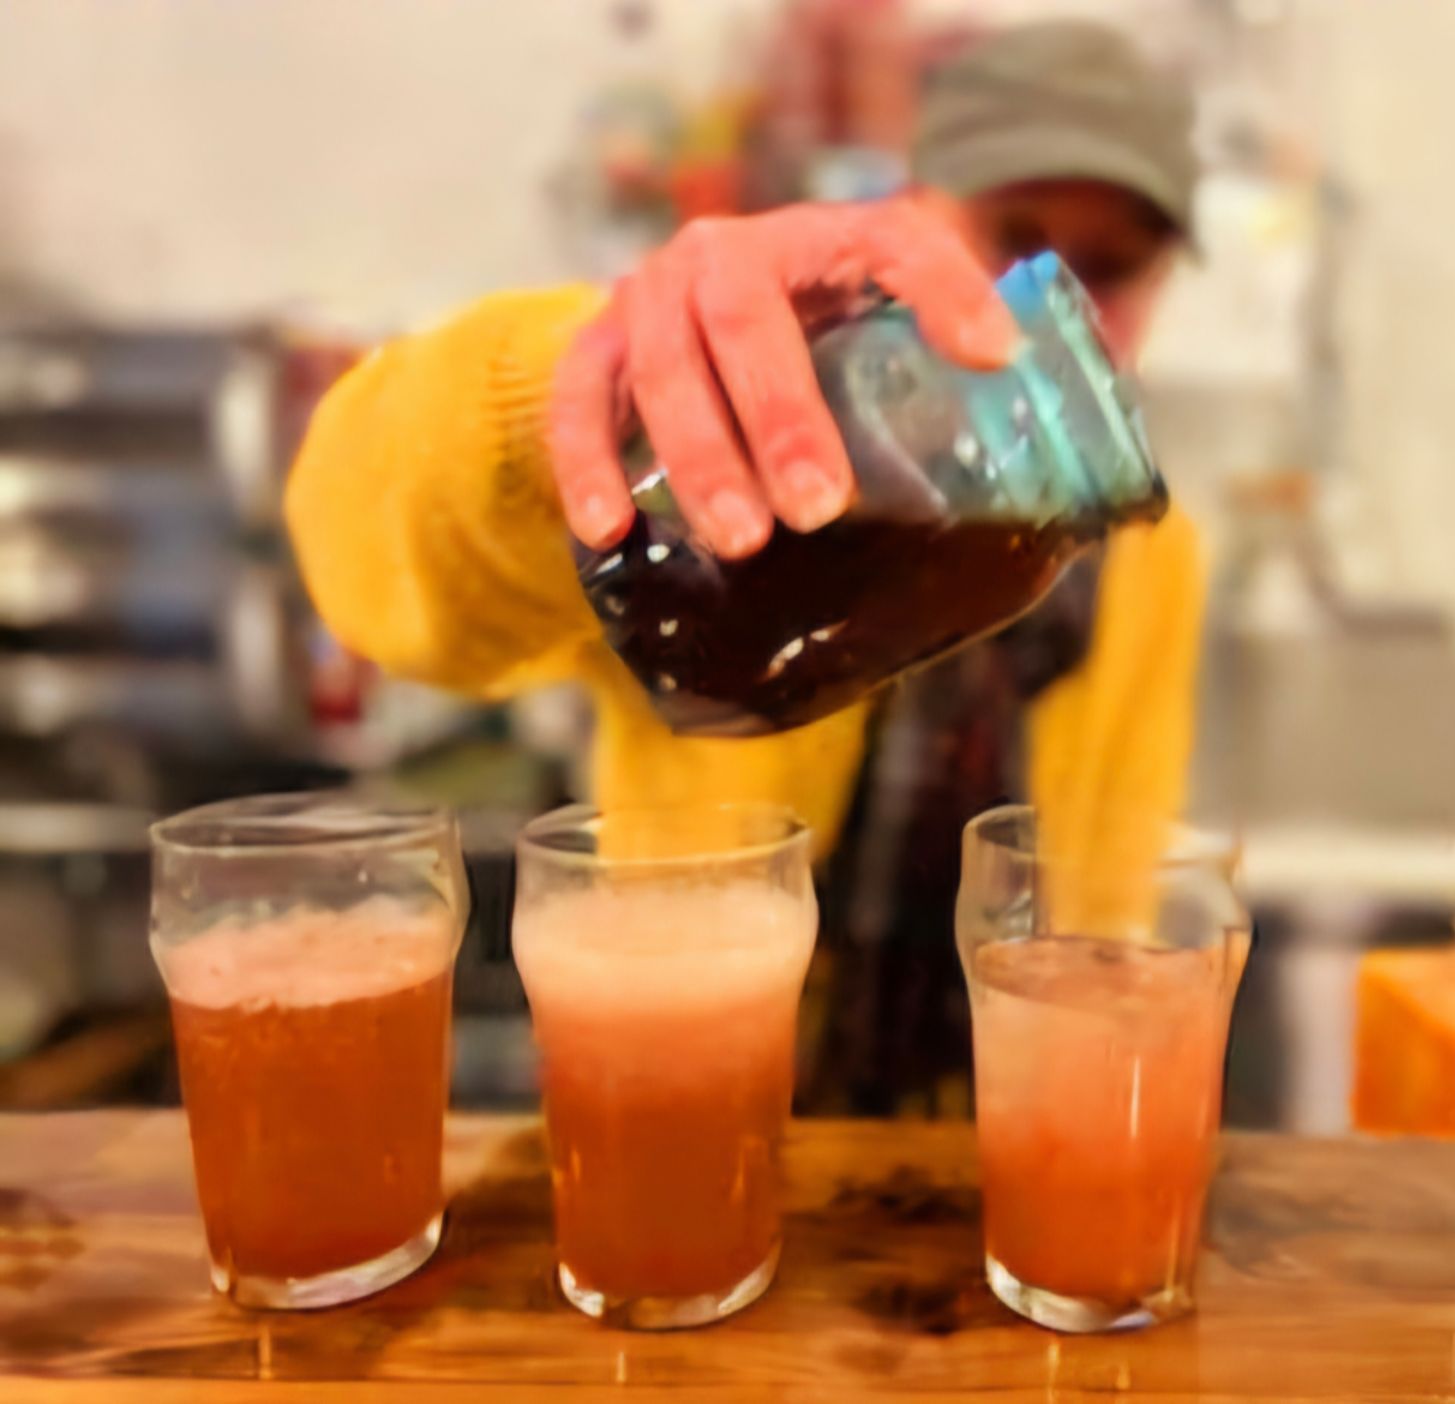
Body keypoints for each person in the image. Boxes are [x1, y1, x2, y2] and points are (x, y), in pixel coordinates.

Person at [285, 21, 1205, 1114]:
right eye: (1016, 236)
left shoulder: (1151, 562)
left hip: (982, 1143)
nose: (1064, 303)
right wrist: (576, 403)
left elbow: (1103, 909)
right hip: (682, 1110)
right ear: (915, 215)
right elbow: (357, 547)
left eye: (1114, 266)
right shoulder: (754, 434)